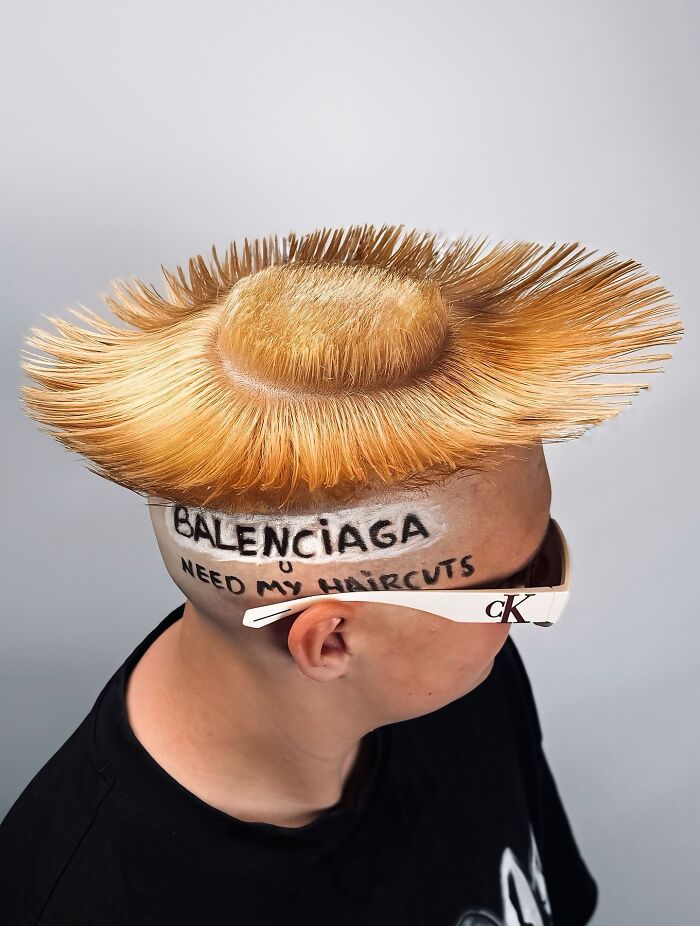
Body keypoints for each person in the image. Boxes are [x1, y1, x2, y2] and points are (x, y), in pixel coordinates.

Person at [2, 224, 683, 925]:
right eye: (512, 593)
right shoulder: (81, 898)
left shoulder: (458, 690)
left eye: (539, 562)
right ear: (330, 642)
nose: (524, 616)